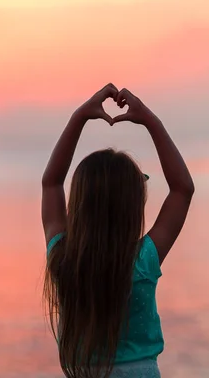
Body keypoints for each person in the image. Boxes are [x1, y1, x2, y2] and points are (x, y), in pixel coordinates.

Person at [42, 83, 194, 378]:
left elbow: (51, 183)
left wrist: (79, 117)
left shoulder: (63, 260)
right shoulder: (142, 261)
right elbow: (182, 189)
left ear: (79, 202)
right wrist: (151, 120)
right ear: (131, 206)